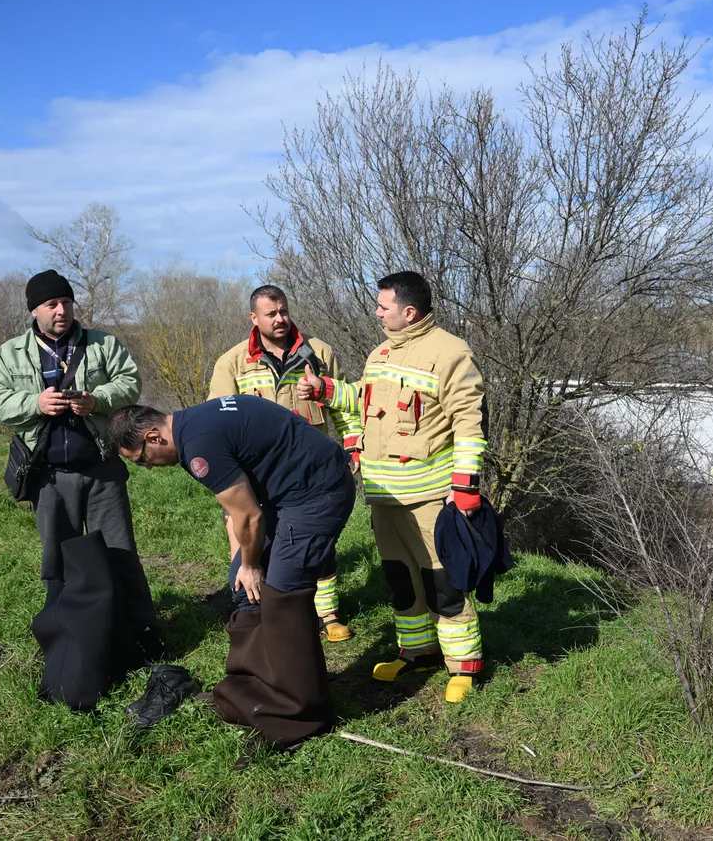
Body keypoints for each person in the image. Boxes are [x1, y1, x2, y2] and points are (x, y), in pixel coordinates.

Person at [107, 397, 356, 748]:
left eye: (141, 459)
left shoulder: (198, 444)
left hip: (316, 493)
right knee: (242, 585)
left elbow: (250, 516)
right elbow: (233, 509)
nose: (147, 467)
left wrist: (254, 565)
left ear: (153, 437)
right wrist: (241, 566)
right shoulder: (190, 428)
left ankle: (300, 712)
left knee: (284, 590)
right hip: (281, 496)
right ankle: (258, 686)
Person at [298, 270, 488, 703]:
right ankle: (417, 652)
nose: (377, 312)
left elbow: (470, 425)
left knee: (443, 581)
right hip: (383, 494)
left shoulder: (452, 353)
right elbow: (365, 400)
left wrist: (465, 487)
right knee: (402, 579)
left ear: (409, 311)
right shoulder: (380, 352)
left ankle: (463, 666)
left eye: (383, 306)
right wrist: (325, 389)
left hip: (430, 496)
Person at [0, 269, 168, 702]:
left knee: (121, 555)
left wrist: (97, 400)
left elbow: (130, 382)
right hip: (48, 476)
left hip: (102, 468)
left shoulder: (102, 344)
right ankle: (64, 640)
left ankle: (142, 633)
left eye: (66, 302)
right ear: (34, 310)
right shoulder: (11, 355)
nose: (61, 310)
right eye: (51, 304)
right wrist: (35, 403)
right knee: (59, 564)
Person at [208, 285, 362, 642]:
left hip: (310, 472)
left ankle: (327, 614)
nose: (280, 319)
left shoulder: (318, 352)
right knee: (253, 543)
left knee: (317, 540)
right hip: (257, 475)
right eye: (271, 314)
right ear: (253, 318)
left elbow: (343, 405)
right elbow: (216, 422)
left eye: (284, 311)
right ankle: (257, 613)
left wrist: (353, 446)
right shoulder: (232, 362)